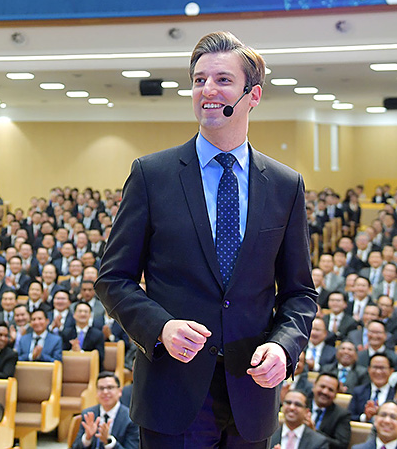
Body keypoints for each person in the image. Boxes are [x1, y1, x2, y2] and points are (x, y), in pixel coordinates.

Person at [96, 31, 317, 447]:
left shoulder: (285, 184)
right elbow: (113, 279)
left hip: (251, 393)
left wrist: (284, 347)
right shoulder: (152, 175)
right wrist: (160, 327)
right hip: (172, 392)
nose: (207, 90)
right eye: (199, 80)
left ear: (253, 95)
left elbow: (300, 293)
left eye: (222, 80)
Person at [72, 372, 139, 449]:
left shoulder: (131, 418)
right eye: (101, 388)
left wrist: (109, 441)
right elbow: (74, 447)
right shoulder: (88, 414)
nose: (105, 392)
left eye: (110, 387)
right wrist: (87, 438)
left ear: (120, 391)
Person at [308, 373, 351, 449]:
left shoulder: (341, 415)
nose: (325, 392)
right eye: (322, 386)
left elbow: (341, 445)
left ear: (336, 394)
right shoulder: (301, 405)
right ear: (314, 385)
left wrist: (314, 432)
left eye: (330, 390)